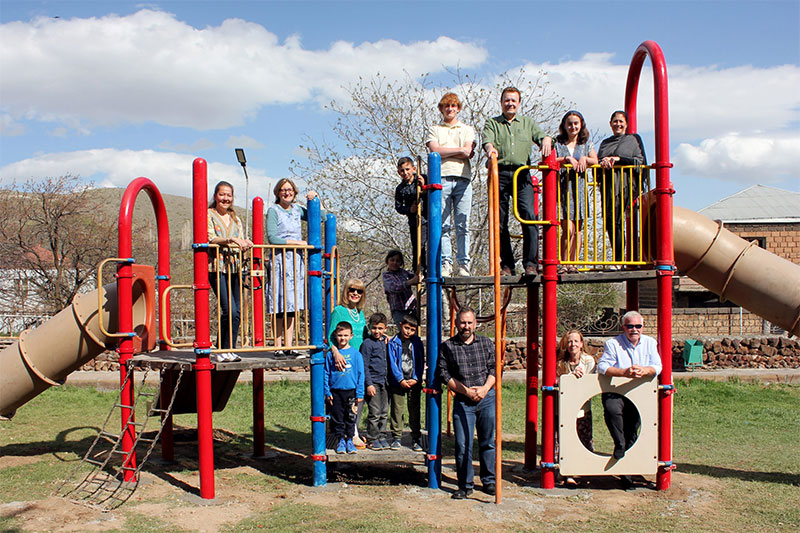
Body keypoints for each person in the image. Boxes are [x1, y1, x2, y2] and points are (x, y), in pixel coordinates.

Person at [482, 86, 553, 276]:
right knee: (500, 221)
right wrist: (490, 150)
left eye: (513, 100)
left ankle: (530, 264)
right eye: (507, 100)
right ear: (501, 102)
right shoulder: (493, 123)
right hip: (501, 172)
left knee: (529, 214)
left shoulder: (527, 123)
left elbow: (541, 137)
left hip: (523, 174)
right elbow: (487, 141)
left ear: (519, 103)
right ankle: (507, 265)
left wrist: (546, 139)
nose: (510, 103)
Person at [438, 306, 496, 499]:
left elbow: (494, 369)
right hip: (463, 401)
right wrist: (466, 391)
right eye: (463, 322)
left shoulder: (486, 343)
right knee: (463, 445)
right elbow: (444, 374)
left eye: (470, 322)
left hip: (486, 398)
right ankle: (465, 485)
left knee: (487, 442)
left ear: (475, 323)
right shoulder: (448, 346)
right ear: (456, 324)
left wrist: (485, 388)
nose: (466, 326)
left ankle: (489, 481)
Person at [597, 310, 661, 460]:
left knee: (633, 426)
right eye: (630, 326)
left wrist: (645, 370)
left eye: (638, 326)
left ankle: (628, 469)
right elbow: (603, 367)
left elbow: (657, 366)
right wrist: (624, 372)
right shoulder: (613, 344)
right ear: (623, 327)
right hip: (616, 391)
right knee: (612, 410)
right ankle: (619, 443)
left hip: (639, 391)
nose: (634, 329)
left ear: (643, 327)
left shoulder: (650, 343)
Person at [266, 178, 319, 355]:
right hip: (280, 260)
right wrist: (297, 242)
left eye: (289, 190)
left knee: (292, 304)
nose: (286, 192)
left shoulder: (297, 210)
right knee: (279, 304)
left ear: (295, 192)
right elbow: (273, 238)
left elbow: (321, 216)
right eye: (283, 190)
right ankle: (278, 346)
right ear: (277, 193)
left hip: (295, 262)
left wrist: (315, 200)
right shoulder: (273, 211)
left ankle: (290, 346)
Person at [426, 92, 476, 277]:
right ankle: (446, 263)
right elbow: (435, 150)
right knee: (443, 224)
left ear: (458, 108)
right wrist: (459, 150)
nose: (450, 109)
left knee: (463, 223)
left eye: (453, 106)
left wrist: (451, 151)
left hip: (463, 178)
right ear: (441, 109)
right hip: (442, 179)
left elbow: (468, 151)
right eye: (446, 106)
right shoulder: (435, 129)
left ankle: (464, 264)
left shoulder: (467, 129)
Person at [207, 180, 253, 361]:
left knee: (237, 311)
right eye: (222, 194)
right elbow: (210, 238)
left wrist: (245, 244)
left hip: (234, 267)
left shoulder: (235, 217)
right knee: (229, 309)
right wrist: (231, 240)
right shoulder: (209, 214)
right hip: (217, 267)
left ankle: (229, 348)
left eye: (229, 195)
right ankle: (221, 349)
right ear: (216, 196)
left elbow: (240, 239)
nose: (225, 198)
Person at [597, 110, 647, 262]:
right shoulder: (605, 143)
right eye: (615, 121)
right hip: (609, 187)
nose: (618, 124)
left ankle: (627, 258)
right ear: (610, 124)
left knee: (622, 221)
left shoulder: (634, 139)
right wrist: (603, 163)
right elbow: (597, 164)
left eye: (621, 121)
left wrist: (618, 159)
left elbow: (639, 162)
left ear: (626, 124)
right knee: (610, 222)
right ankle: (618, 258)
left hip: (626, 186)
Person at [554, 111, 598, 273]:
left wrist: (585, 159)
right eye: (570, 124)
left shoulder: (586, 144)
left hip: (579, 189)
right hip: (563, 190)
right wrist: (566, 159)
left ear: (581, 125)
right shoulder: (558, 143)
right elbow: (549, 159)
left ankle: (573, 263)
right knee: (568, 230)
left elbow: (595, 160)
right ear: (564, 126)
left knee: (578, 230)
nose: (573, 127)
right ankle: (564, 263)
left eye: (576, 123)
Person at [328, 277, 368, 448]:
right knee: (343, 400)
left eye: (359, 291)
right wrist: (336, 353)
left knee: (358, 397)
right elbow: (331, 336)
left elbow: (366, 335)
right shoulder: (339, 311)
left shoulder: (360, 314)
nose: (355, 293)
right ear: (346, 291)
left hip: (358, 358)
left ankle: (353, 431)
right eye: (352, 290)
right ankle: (347, 435)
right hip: (344, 360)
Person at [556, 329, 596, 485]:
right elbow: (558, 382)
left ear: (581, 344)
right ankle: (563, 470)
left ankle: (580, 469)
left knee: (581, 438)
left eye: (576, 341)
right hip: (563, 409)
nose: (573, 345)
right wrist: (569, 378)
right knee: (563, 440)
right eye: (570, 341)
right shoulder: (561, 363)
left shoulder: (588, 361)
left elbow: (589, 384)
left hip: (582, 408)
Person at [324, 321, 365, 454]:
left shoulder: (356, 354)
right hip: (336, 391)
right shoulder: (331, 355)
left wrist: (360, 393)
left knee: (351, 417)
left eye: (346, 335)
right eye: (340, 335)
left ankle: (350, 440)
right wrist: (327, 390)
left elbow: (360, 374)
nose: (343, 338)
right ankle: (340, 440)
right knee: (338, 417)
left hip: (351, 391)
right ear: (335, 336)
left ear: (351, 336)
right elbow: (326, 373)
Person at [387, 314, 425, 451]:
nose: (408, 332)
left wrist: (416, 378)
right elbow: (392, 363)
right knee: (397, 409)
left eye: (412, 330)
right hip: (398, 382)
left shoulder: (417, 343)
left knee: (414, 409)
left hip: (414, 381)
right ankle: (396, 436)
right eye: (406, 328)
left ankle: (416, 437)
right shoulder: (393, 342)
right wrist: (400, 379)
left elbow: (420, 362)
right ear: (401, 325)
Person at [360, 312, 390, 450]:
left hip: (385, 382)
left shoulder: (385, 342)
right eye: (374, 328)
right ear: (369, 327)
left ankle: (382, 435)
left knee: (384, 411)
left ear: (385, 328)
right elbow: (364, 365)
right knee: (375, 412)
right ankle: (372, 438)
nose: (377, 331)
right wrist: (369, 384)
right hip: (374, 382)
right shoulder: (367, 344)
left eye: (380, 328)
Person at [394, 157, 427, 272]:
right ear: (399, 172)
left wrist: (424, 186)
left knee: (429, 244)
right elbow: (398, 207)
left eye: (407, 169)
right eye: (402, 171)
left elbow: (433, 196)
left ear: (413, 168)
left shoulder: (423, 179)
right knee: (417, 245)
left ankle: (431, 268)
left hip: (428, 218)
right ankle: (419, 269)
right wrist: (409, 209)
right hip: (414, 221)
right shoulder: (400, 189)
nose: (405, 173)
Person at [382, 250, 419, 326]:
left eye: (398, 261)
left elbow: (415, 279)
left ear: (401, 263)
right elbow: (394, 288)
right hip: (399, 311)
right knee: (404, 334)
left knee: (413, 333)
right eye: (392, 260)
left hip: (412, 309)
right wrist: (411, 282)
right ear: (387, 261)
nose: (395, 263)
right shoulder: (386, 276)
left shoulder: (404, 272)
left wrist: (418, 275)